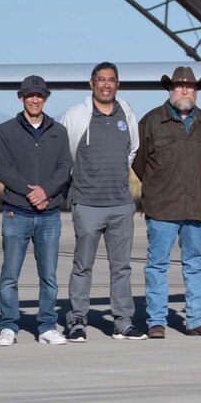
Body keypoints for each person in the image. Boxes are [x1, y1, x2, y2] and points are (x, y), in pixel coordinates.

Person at [134, 66, 201, 337]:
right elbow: (139, 162)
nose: (185, 91)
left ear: (196, 92)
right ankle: (156, 321)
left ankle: (198, 320)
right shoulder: (151, 121)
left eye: (190, 87)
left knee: (195, 263)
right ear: (170, 90)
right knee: (157, 265)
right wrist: (157, 186)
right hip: (162, 206)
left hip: (196, 205)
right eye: (179, 87)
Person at [0, 75, 72, 346]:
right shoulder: (6, 130)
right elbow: (3, 168)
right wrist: (30, 191)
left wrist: (45, 191)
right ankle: (8, 326)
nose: (35, 99)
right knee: (10, 273)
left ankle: (48, 326)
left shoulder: (58, 131)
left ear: (46, 98)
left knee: (48, 274)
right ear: (21, 97)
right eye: (29, 95)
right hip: (17, 212)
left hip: (49, 214)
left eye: (39, 95)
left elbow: (65, 167)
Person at [62, 62, 139, 341]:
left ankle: (123, 322)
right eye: (101, 79)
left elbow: (131, 151)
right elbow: (66, 155)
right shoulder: (76, 115)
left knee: (121, 267)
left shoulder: (126, 113)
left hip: (120, 204)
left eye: (111, 80)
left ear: (118, 84)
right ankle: (78, 321)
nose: (106, 84)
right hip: (87, 204)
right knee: (82, 266)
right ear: (91, 83)